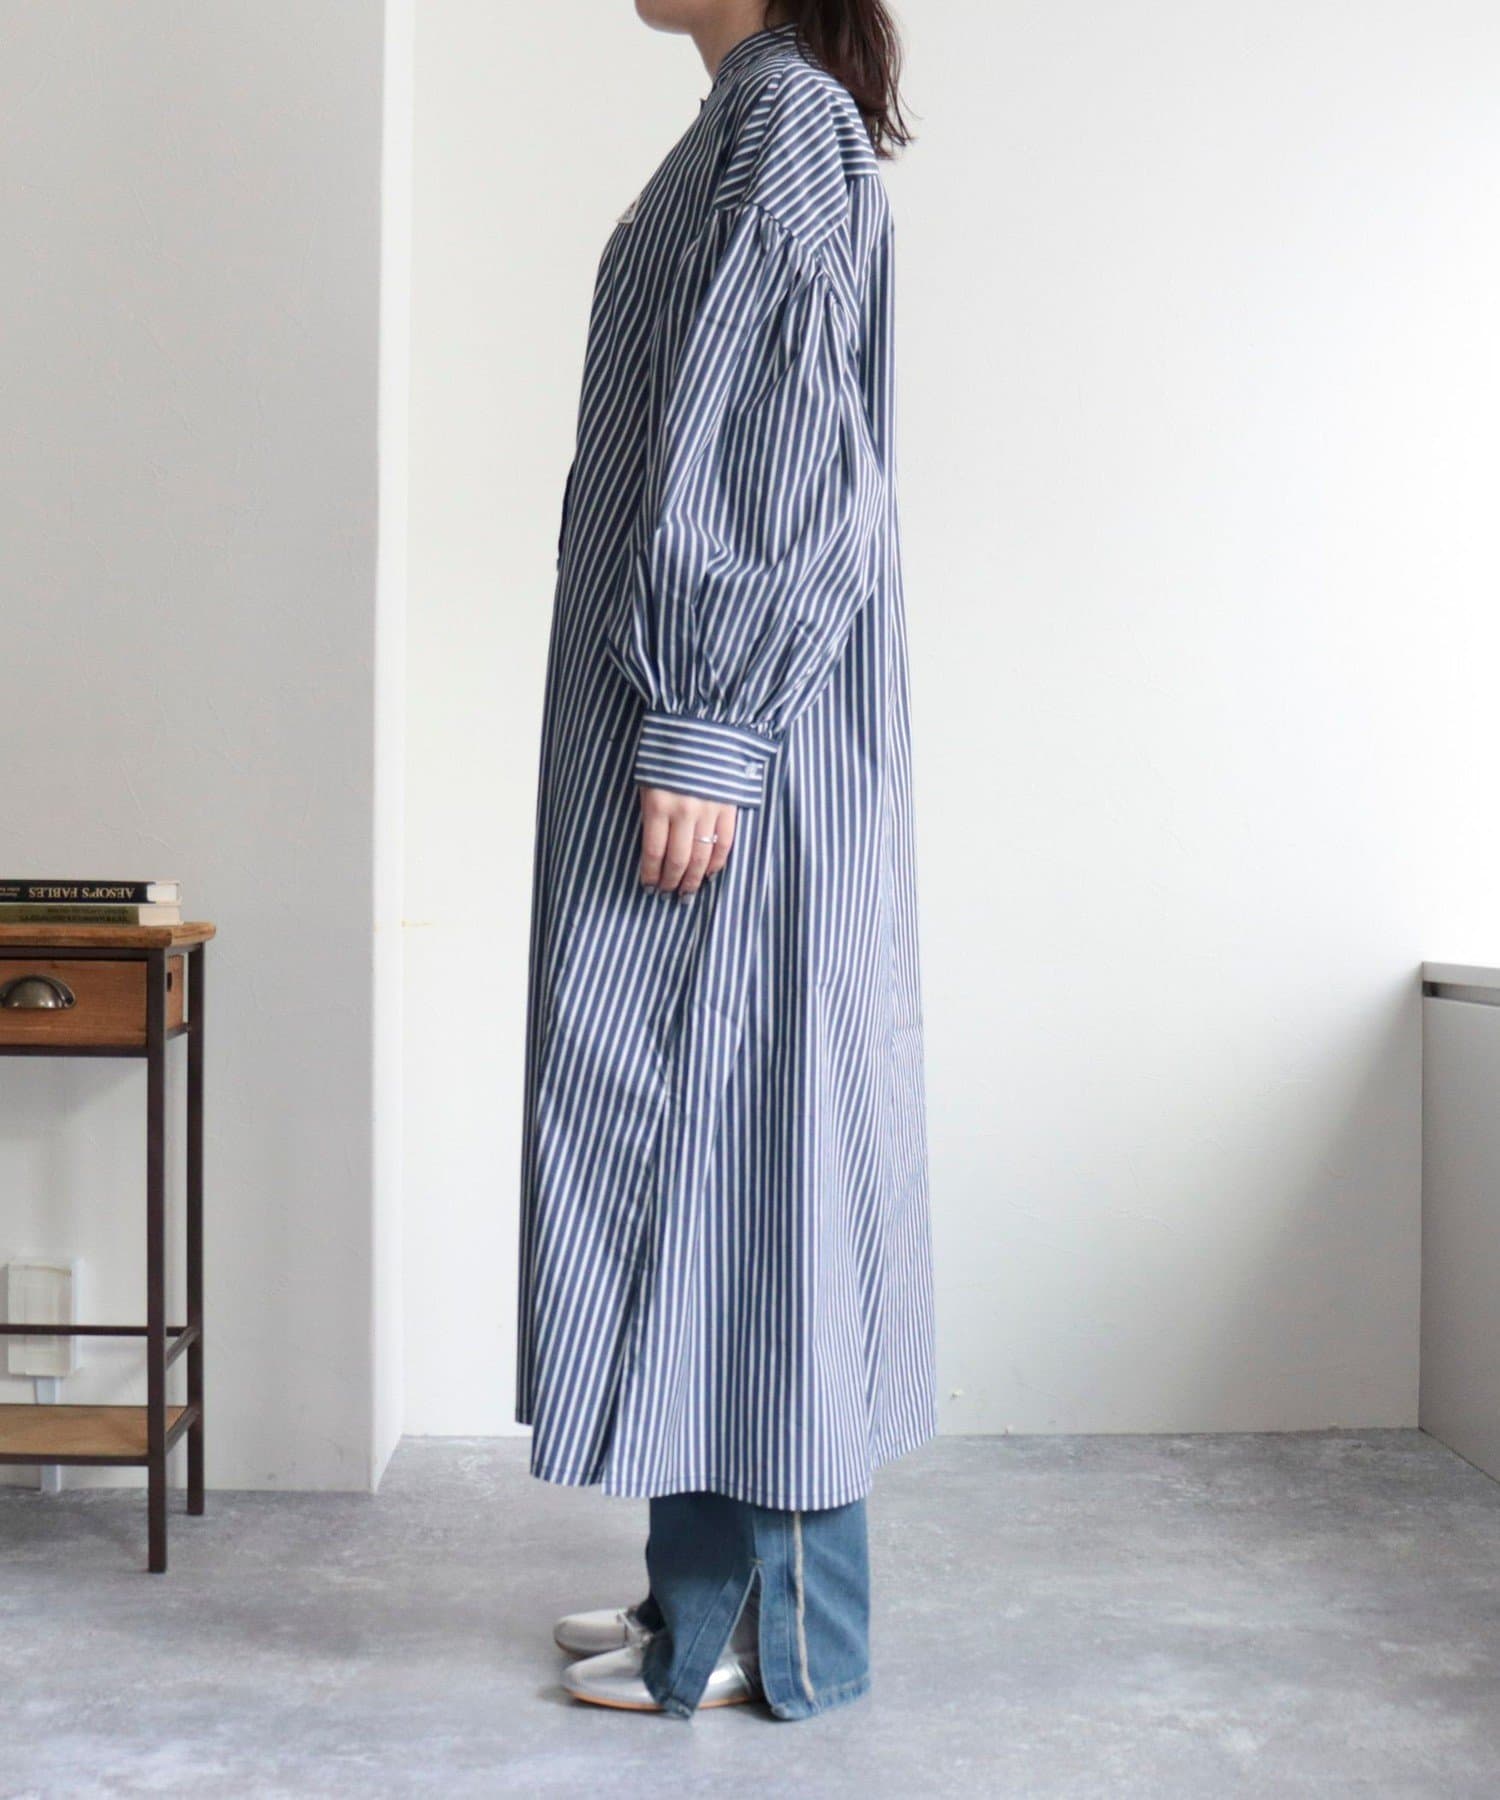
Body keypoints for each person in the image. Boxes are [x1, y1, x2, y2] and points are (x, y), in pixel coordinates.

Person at [516, 0, 933, 1721]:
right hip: (691, 724)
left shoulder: (786, 123)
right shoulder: (745, 120)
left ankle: (780, 1638)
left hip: (729, 742)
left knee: (754, 1159)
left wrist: (707, 717)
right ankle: (694, 1586)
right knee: (688, 1158)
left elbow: (784, 444)